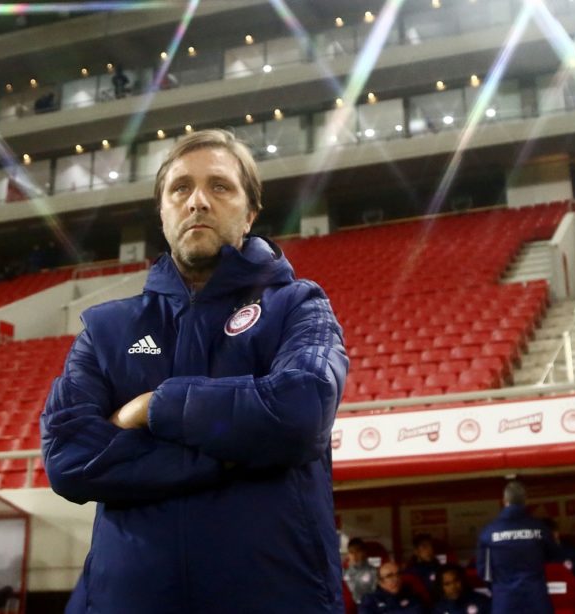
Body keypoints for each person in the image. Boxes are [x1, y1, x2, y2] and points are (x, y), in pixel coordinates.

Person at [40, 128, 349, 612]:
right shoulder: (105, 330)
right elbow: (68, 458)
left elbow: (300, 412)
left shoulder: (298, 305)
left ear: (249, 213)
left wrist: (155, 407)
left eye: (219, 186)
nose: (198, 201)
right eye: (180, 188)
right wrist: (236, 453)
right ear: (163, 213)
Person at [476, 481, 562, 613]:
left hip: (505, 601)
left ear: (504, 501)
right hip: (536, 599)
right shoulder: (540, 529)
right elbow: (554, 555)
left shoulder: (488, 532)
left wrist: (501, 588)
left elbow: (483, 572)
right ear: (526, 501)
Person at [360, 561, 427, 614]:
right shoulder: (370, 601)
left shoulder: (411, 594)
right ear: (380, 582)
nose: (396, 579)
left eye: (398, 574)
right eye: (389, 576)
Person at [346, 538, 380, 604]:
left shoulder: (373, 570)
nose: (354, 555)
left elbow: (373, 591)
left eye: (358, 552)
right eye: (351, 552)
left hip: (370, 603)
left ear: (364, 552)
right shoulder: (346, 572)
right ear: (348, 554)